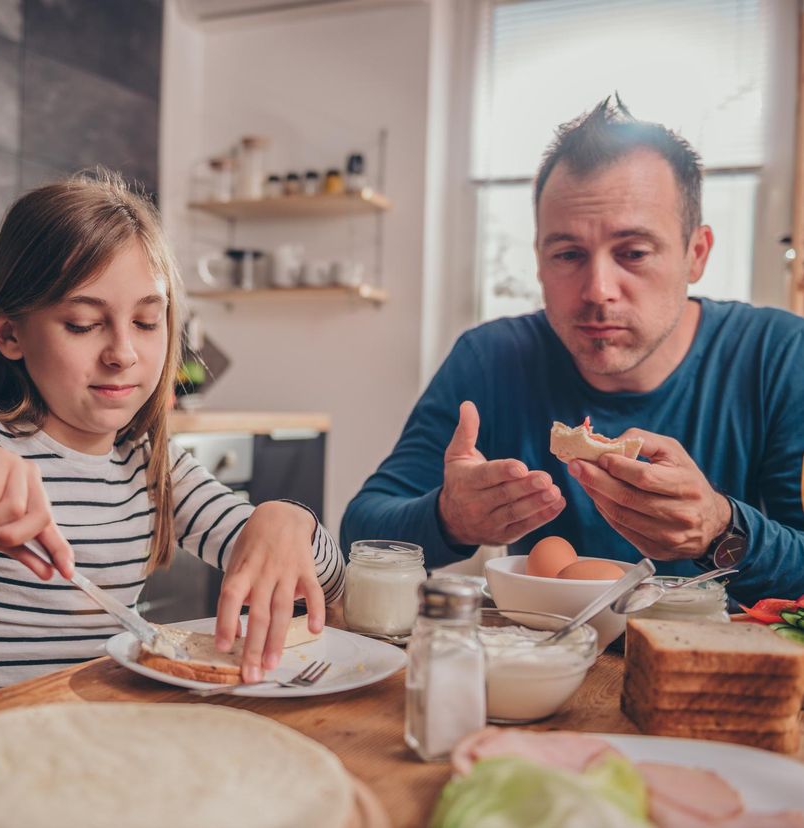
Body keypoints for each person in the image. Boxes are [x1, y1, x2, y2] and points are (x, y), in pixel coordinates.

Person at [0, 170, 344, 716]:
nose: (123, 353)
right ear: (10, 334)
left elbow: (324, 580)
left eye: (145, 321)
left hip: (88, 752)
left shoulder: (153, 467)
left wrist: (287, 521)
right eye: (84, 324)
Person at [341, 98, 804, 604]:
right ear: (539, 260)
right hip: (546, 665)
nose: (598, 289)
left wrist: (722, 532)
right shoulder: (492, 358)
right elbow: (360, 531)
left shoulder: (779, 357)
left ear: (696, 254)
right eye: (568, 255)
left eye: (633, 253)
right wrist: (449, 516)